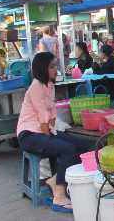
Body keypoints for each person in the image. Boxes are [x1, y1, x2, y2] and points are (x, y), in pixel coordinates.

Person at [17, 52, 91, 213]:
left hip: (44, 130)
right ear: (42, 68)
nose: (55, 69)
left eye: (55, 65)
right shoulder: (36, 86)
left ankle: (55, 179)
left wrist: (53, 134)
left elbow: (51, 116)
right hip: (28, 135)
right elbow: (43, 116)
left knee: (83, 145)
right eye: (52, 66)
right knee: (67, 149)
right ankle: (59, 194)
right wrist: (52, 139)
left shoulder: (49, 85)